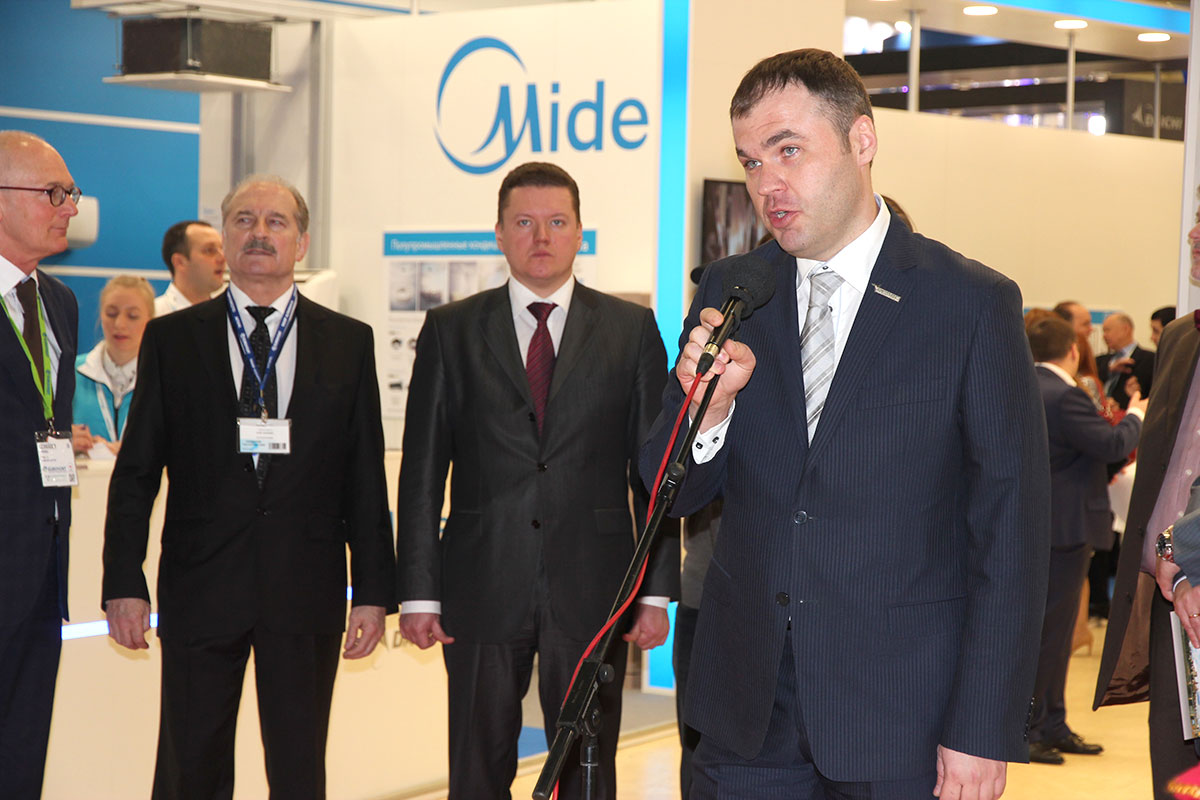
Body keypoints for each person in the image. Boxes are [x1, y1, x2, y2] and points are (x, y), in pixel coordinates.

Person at [640, 49, 1049, 799]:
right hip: (748, 717)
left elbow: (1010, 535)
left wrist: (982, 725)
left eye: (788, 150)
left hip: (903, 716)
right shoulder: (734, 289)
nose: (767, 183)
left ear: (862, 140)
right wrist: (712, 412)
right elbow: (670, 489)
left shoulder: (968, 303)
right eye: (751, 161)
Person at [102, 175, 395, 799]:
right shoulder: (173, 339)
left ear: (301, 242)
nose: (259, 233)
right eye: (244, 220)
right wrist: (123, 580)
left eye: (276, 221)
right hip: (201, 587)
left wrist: (373, 592)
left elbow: (365, 478)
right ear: (225, 238)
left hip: (305, 588)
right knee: (189, 769)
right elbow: (136, 473)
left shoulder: (349, 342)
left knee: (298, 772)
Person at [395, 161, 679, 800]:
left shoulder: (630, 329)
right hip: (479, 583)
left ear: (580, 232)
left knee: (587, 768)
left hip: (595, 586)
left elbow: (655, 470)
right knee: (477, 767)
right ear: (499, 233)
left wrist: (656, 591)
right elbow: (421, 472)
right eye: (524, 223)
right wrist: (418, 594)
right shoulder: (451, 330)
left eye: (556, 222)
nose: (541, 237)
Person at [1095, 199, 1200, 800]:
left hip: (1189, 567)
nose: (1193, 232)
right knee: (1175, 767)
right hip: (1168, 591)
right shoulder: (1181, 338)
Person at [0, 130, 80, 798]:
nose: (70, 207)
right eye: (54, 193)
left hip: (41, 568)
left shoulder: (60, 301)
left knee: (23, 754)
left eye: (71, 193)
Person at [1025, 316, 1143, 765]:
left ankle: (1051, 724)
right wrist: (1137, 415)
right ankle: (1033, 729)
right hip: (1065, 527)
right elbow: (1110, 444)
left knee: (1054, 634)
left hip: (1045, 525)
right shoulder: (1065, 394)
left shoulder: (1026, 385)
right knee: (1050, 636)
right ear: (1073, 351)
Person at [72, 275, 154, 456]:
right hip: (85, 475)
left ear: (150, 320)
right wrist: (65, 441)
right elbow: (44, 441)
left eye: (132, 316)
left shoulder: (164, 379)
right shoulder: (71, 373)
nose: (119, 324)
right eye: (111, 313)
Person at [154, 219, 226, 316]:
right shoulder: (154, 315)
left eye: (222, 249)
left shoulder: (229, 315)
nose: (222, 258)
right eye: (209, 250)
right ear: (179, 262)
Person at [1097, 312, 1155, 410]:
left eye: (1107, 330)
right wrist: (1110, 369)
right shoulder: (1101, 361)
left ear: (1125, 329)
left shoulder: (1150, 359)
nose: (1104, 336)